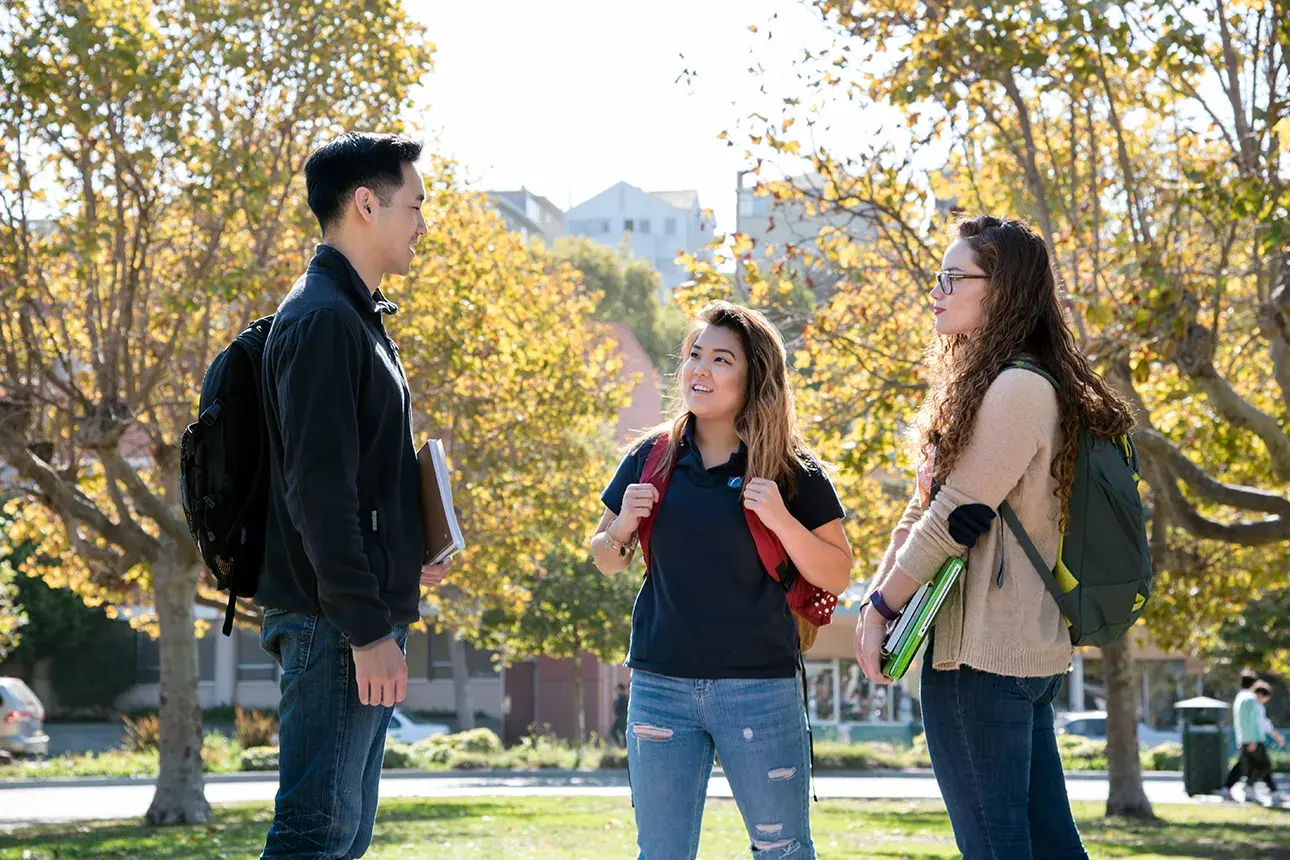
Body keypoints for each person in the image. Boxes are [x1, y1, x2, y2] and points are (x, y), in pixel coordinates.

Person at [854, 215, 1136, 860]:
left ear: (1002, 290)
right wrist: (876, 599)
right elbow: (922, 509)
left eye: (955, 278)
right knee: (1047, 844)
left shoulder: (1016, 388)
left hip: (981, 654)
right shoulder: (1004, 384)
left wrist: (881, 609)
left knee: (996, 844)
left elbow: (954, 515)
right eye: (939, 276)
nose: (938, 290)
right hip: (1015, 653)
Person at [591, 301, 852, 860]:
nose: (699, 369)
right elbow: (605, 558)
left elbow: (837, 570)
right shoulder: (649, 457)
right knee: (661, 854)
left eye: (720, 359)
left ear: (754, 376)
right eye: (694, 355)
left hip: (759, 689)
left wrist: (781, 518)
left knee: (783, 851)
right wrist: (622, 530)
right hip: (660, 688)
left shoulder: (791, 468)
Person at [256, 132, 453, 860]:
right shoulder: (323, 321)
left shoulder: (357, 316)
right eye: (414, 205)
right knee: (317, 830)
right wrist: (370, 633)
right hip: (334, 624)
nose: (423, 224)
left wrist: (410, 553)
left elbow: (360, 480)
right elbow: (321, 496)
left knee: (344, 834)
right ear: (366, 204)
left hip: (352, 613)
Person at [1222, 674, 1285, 802]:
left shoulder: (1241, 697)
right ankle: (1249, 787)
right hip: (1253, 739)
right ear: (1253, 684)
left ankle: (1273, 791)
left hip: (1246, 738)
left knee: (1245, 765)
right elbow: (1252, 722)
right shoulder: (1250, 699)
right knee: (1264, 765)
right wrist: (1251, 739)